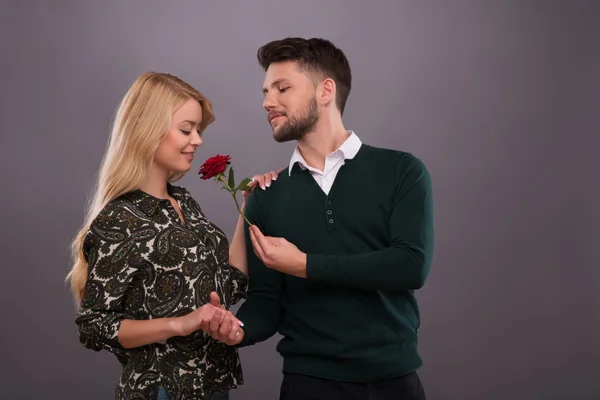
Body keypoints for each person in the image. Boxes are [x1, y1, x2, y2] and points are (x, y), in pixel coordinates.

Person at [208, 38, 435, 400]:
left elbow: (410, 265)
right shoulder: (266, 195)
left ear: (325, 90)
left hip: (395, 383)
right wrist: (238, 329)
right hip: (307, 384)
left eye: (282, 88)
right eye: (266, 91)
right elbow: (266, 300)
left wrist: (305, 265)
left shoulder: (402, 171)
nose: (268, 102)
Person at [66, 72, 277, 400]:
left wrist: (248, 209)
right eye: (186, 129)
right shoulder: (120, 218)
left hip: (211, 388)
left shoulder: (184, 203)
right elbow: (95, 326)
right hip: (161, 389)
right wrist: (181, 323)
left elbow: (230, 282)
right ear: (148, 130)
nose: (198, 140)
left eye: (198, 130)